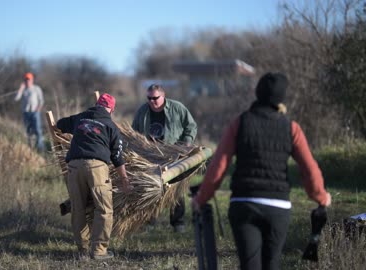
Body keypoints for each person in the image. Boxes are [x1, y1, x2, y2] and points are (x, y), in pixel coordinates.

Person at [192, 72, 332, 270]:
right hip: (278, 207)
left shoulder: (240, 123)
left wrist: (201, 198)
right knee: (271, 264)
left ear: (257, 93)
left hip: (244, 204)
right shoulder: (291, 128)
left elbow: (218, 166)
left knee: (250, 265)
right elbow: (309, 169)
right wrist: (321, 197)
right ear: (282, 98)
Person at [56, 93, 132, 260]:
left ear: (96, 104)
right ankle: (98, 251)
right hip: (96, 167)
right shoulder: (111, 126)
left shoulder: (81, 118)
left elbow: (59, 124)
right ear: (111, 109)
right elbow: (117, 157)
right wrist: (125, 180)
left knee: (78, 209)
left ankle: (82, 251)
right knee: (104, 209)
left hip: (74, 166)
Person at [132, 83, 197, 233]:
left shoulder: (177, 108)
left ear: (163, 96)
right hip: (151, 156)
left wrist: (186, 144)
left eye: (155, 98)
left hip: (174, 155)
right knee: (152, 188)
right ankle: (149, 222)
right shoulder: (143, 111)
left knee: (176, 190)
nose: (152, 101)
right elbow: (134, 132)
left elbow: (191, 126)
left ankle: (178, 223)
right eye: (149, 98)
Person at [15, 72, 45, 151]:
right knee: (28, 131)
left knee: (38, 130)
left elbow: (41, 100)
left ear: (32, 80)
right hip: (26, 113)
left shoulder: (36, 88)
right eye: (26, 79)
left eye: (29, 79)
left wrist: (38, 108)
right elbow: (16, 98)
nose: (27, 81)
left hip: (35, 112)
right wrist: (20, 89)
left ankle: (41, 148)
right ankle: (31, 148)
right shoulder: (23, 90)